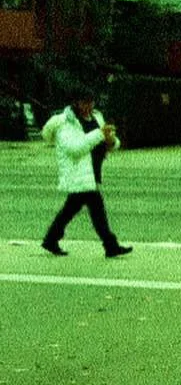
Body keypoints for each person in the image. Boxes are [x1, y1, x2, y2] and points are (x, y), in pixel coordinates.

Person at [40, 86, 133, 257]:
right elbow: (75, 148)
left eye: (91, 102)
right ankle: (110, 245)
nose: (89, 106)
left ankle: (50, 239)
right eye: (85, 102)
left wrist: (112, 141)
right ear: (75, 103)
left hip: (93, 171)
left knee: (71, 209)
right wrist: (100, 134)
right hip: (79, 173)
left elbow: (108, 142)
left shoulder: (97, 117)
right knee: (96, 209)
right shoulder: (64, 122)